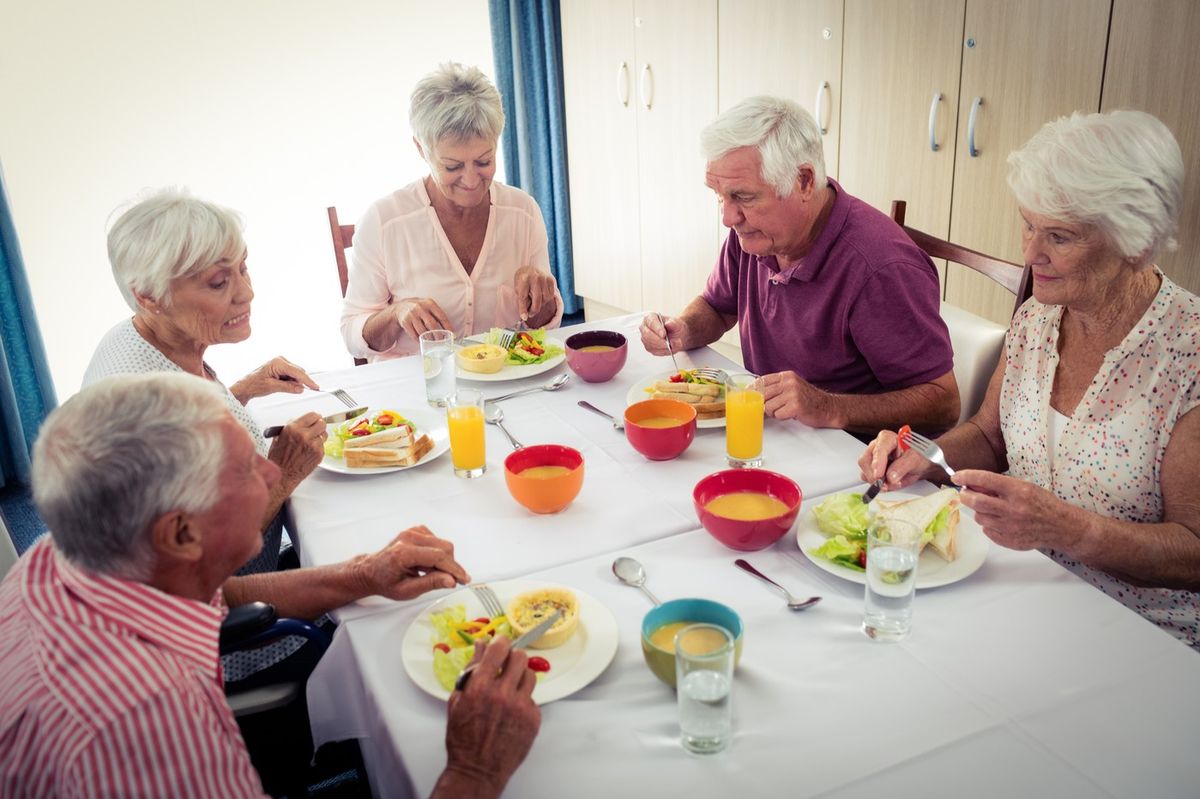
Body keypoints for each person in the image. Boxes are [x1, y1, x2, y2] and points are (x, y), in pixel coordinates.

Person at [0, 373, 540, 798]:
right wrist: (473, 770)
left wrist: (362, 573)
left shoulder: (71, 553)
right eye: (243, 469)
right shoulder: (142, 723)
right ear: (182, 532)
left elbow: (217, 594)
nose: (269, 472)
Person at [859, 110, 1200, 650]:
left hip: (1140, 633)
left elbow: (1193, 553)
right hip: (1021, 586)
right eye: (1028, 224)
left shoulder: (1189, 357)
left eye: (1059, 237)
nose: (1029, 253)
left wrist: (1065, 528)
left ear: (1136, 242)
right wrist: (927, 454)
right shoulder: (1040, 317)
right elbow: (990, 438)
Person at [82, 189, 444, 686]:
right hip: (219, 650)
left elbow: (194, 456)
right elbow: (200, 585)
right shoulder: (145, 416)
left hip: (229, 580)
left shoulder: (140, 339)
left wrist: (241, 391)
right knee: (407, 632)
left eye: (243, 269)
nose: (245, 293)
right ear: (149, 295)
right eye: (217, 281)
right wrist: (282, 473)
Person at [640, 96, 959, 435]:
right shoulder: (756, 233)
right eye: (720, 195)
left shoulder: (879, 268)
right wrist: (684, 328)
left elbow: (943, 404)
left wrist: (827, 405)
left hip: (853, 456)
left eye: (744, 197)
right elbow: (718, 309)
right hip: (773, 432)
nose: (728, 217)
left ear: (804, 181)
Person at [340, 62, 564, 362]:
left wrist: (543, 298)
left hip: (502, 388)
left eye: (484, 161)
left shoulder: (523, 212)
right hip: (413, 394)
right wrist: (396, 313)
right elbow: (352, 336)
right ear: (422, 149)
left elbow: (541, 327)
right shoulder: (384, 222)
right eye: (453, 166)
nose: (471, 181)